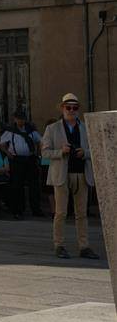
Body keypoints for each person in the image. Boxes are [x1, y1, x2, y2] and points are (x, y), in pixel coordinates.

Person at [41, 94, 100, 260]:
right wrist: (61, 152)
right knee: (60, 213)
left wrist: (85, 153)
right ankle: (59, 245)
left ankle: (84, 246)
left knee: (81, 213)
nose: (72, 111)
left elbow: (96, 149)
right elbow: (44, 152)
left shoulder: (85, 128)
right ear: (62, 108)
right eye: (68, 107)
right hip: (62, 174)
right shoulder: (52, 128)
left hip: (81, 173)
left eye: (75, 108)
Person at [0, 108, 44, 219]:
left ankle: (36, 209)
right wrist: (8, 153)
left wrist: (38, 153)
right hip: (17, 160)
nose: (20, 121)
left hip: (30, 159)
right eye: (18, 119)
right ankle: (18, 210)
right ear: (15, 119)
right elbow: (1, 144)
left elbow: (40, 141)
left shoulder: (31, 131)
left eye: (22, 119)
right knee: (17, 185)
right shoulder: (10, 131)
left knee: (34, 185)